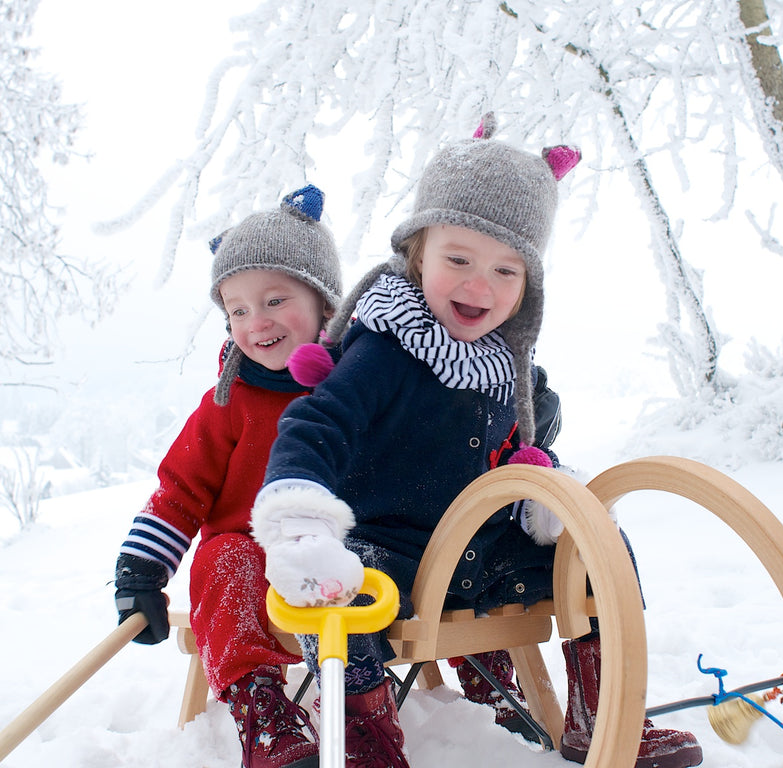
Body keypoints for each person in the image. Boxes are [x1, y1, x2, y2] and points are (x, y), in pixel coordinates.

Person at [250, 115, 704, 768]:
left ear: (528, 286)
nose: (479, 286)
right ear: (417, 253)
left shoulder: (505, 362)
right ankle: (366, 739)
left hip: (483, 552)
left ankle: (602, 716)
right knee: (334, 598)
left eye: (505, 270)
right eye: (457, 259)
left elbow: (517, 447)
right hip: (392, 553)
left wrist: (542, 488)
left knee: (601, 546)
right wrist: (303, 525)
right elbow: (312, 425)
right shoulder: (387, 347)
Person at [112, 184, 342, 768]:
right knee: (224, 560)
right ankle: (261, 710)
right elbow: (181, 491)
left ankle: (488, 694)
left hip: (344, 562)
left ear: (324, 302)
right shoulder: (229, 403)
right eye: (237, 310)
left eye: (274, 300)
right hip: (255, 571)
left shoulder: (358, 390)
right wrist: (141, 570)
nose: (255, 321)